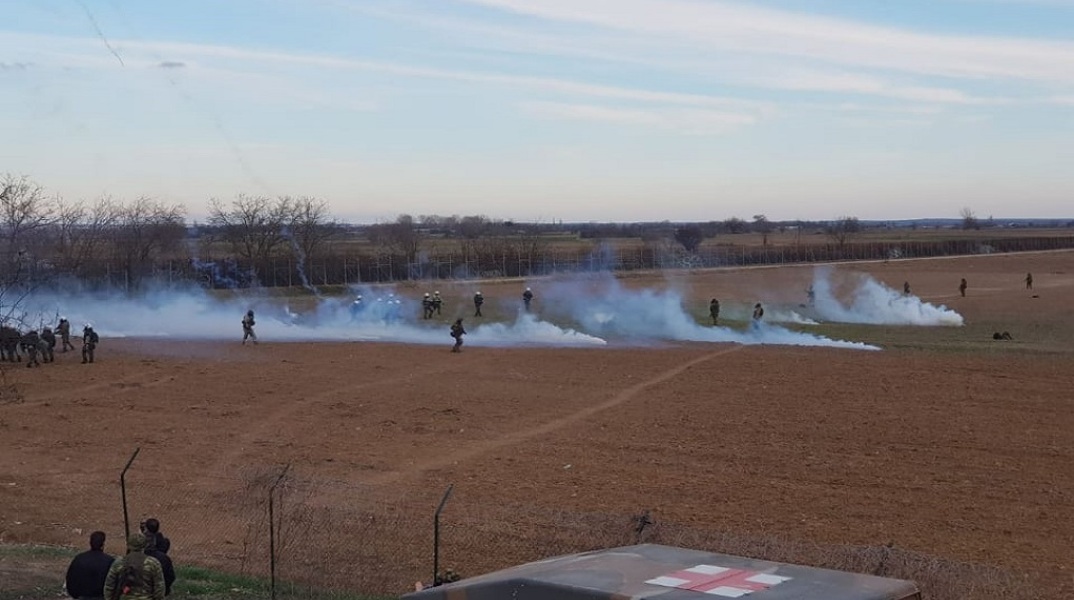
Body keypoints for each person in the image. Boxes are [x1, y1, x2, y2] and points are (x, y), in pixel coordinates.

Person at [103, 532, 166, 600]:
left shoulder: (119, 562)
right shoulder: (153, 563)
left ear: (128, 545)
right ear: (145, 545)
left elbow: (109, 586)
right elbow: (159, 588)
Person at [65, 531, 113, 600]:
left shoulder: (79, 559)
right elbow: (114, 583)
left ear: (90, 543)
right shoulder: (109, 561)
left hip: (81, 597)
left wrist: (76, 596)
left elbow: (70, 580)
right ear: (103, 545)